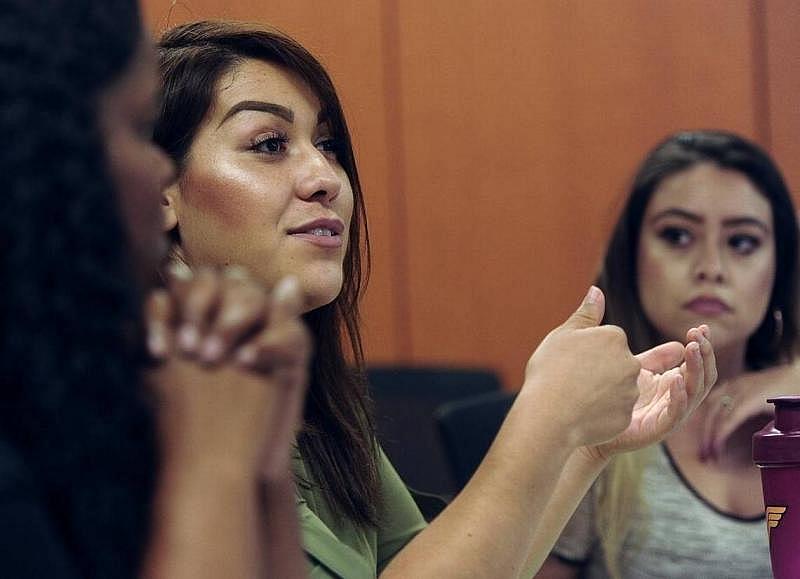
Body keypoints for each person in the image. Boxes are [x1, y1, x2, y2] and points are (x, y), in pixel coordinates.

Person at [154, 21, 716, 577]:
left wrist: (584, 448)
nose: (325, 176)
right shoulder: (138, 398)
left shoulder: (294, 395)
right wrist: (544, 422)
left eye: (326, 145)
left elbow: (448, 567)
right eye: (270, 144)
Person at [0, 2, 309, 578]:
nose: (162, 174)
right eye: (139, 128)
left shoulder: (81, 391)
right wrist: (211, 458)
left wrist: (263, 468)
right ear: (41, 151)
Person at [538, 130, 799, 578]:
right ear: (632, 257)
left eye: (742, 242)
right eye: (677, 235)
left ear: (780, 270)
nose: (711, 268)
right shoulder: (590, 419)